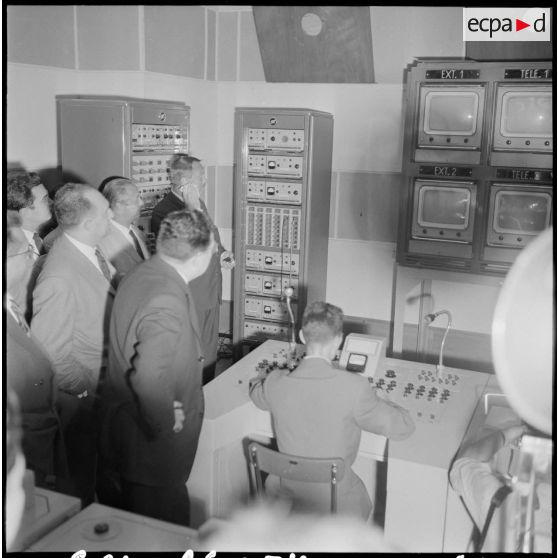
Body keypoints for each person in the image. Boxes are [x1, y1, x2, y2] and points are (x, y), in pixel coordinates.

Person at [99, 209, 216, 526]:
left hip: (128, 430)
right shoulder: (166, 298)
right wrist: (166, 419)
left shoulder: (144, 272)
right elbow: (148, 377)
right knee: (164, 530)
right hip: (152, 449)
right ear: (199, 256)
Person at [249, 301, 415, 521]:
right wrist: (386, 400)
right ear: (339, 340)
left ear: (301, 336)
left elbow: (257, 395)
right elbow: (404, 429)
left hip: (287, 502)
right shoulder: (355, 388)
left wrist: (262, 377)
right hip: (336, 505)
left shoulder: (276, 382)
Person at [31, 183, 116, 506]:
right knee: (80, 483)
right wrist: (83, 390)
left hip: (103, 388)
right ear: (89, 223)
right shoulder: (59, 276)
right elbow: (49, 352)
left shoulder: (88, 251)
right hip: (84, 398)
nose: (111, 216)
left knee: (101, 472)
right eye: (106, 212)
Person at [151, 153, 234, 384]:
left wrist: (221, 253)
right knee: (193, 356)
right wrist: (191, 208)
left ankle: (207, 393)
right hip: (191, 296)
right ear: (184, 182)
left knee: (209, 354)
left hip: (209, 291)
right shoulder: (164, 211)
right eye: (201, 177)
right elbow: (187, 248)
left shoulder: (197, 204)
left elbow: (210, 235)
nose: (205, 181)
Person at [5, 210, 68, 491]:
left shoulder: (10, 304)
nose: (33, 257)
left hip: (39, 449)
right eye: (25, 252)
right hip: (20, 464)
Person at [7, 168, 53, 320]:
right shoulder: (12, 253)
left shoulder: (37, 239)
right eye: (45, 199)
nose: (51, 202)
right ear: (25, 212)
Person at [98, 177, 150, 279]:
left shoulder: (137, 232)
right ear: (119, 205)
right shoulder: (102, 241)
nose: (142, 203)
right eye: (137, 198)